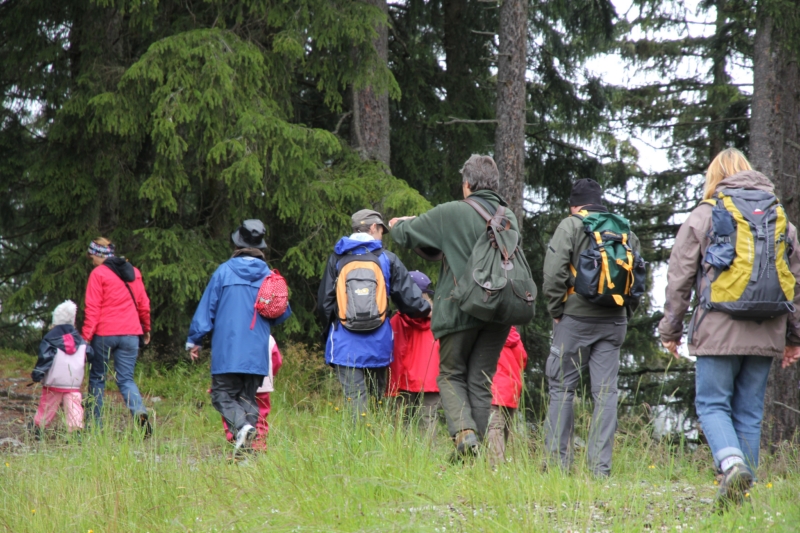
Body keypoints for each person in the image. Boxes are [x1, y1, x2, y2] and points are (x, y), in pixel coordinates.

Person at [658, 148, 800, 507]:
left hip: (718, 327)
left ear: (715, 176)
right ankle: (742, 499)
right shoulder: (779, 217)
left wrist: (671, 331)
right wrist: (794, 337)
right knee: (749, 412)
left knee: (711, 405)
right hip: (767, 328)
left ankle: (732, 466)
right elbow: (795, 281)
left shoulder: (705, 214)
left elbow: (679, 277)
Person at [389, 154, 518, 457]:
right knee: (480, 381)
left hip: (462, 308)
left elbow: (407, 234)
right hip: (499, 312)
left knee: (450, 374)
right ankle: (474, 454)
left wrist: (396, 224)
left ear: (467, 183)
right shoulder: (508, 217)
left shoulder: (453, 212)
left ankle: (464, 434)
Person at [542, 178, 641, 477]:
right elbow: (637, 277)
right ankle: (599, 471)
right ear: (599, 202)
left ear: (574, 205)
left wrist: (557, 310)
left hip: (575, 319)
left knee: (562, 388)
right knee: (606, 393)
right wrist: (624, 312)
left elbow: (553, 274)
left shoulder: (571, 225)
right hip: (614, 320)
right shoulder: (624, 230)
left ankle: (558, 468)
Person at [187, 220, 292, 452]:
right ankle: (246, 450)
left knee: (221, 395)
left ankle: (243, 427)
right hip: (257, 350)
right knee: (247, 398)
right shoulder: (269, 276)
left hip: (228, 350)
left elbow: (207, 309)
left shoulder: (224, 272)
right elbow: (281, 313)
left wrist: (195, 340)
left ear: (237, 243)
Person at [317, 209, 431, 421]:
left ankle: (358, 440)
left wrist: (331, 335)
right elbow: (409, 300)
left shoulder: (337, 258)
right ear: (372, 228)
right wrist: (429, 310)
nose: (381, 237)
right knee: (378, 402)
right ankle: (378, 439)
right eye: (380, 231)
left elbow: (325, 304)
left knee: (355, 404)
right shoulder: (387, 259)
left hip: (344, 345)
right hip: (378, 344)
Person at [83, 237, 152, 435]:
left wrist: (86, 337)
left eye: (92, 257)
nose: (92, 261)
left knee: (97, 378)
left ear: (98, 255)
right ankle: (139, 412)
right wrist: (146, 328)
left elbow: (93, 308)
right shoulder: (134, 272)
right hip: (131, 333)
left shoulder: (98, 274)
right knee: (126, 379)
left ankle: (94, 427)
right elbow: (143, 304)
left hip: (104, 334)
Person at [386, 271, 441, 436]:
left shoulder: (398, 319)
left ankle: (400, 451)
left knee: (400, 422)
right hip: (431, 378)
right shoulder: (440, 319)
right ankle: (429, 453)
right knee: (428, 420)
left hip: (402, 379)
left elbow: (393, 351)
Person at [31, 300, 90, 437]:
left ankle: (39, 428)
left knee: (47, 406)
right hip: (73, 382)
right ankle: (76, 431)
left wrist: (37, 374)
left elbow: (45, 358)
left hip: (53, 381)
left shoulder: (50, 338)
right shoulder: (80, 340)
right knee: (74, 406)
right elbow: (89, 354)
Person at [219, 336, 282, 451]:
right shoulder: (267, 337)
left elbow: (222, 361)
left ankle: (235, 441)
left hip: (236, 385)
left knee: (232, 411)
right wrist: (270, 376)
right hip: (262, 383)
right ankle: (258, 444)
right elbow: (277, 361)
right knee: (260, 415)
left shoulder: (231, 335)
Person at [486, 326, 528, 466]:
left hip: (495, 388)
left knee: (494, 428)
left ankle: (495, 465)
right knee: (504, 430)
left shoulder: (489, 335)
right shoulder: (516, 338)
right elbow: (523, 359)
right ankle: (499, 464)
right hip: (512, 391)